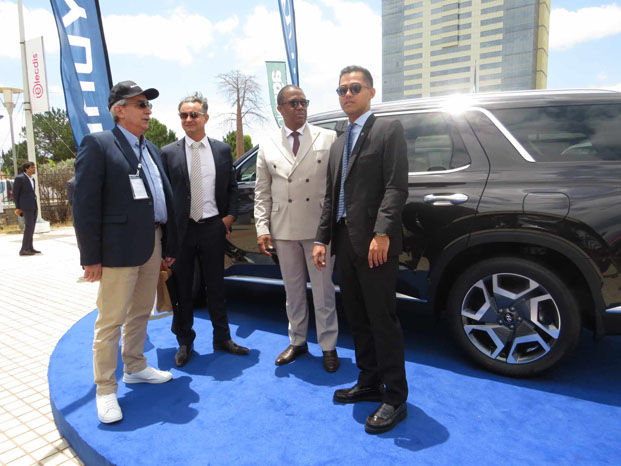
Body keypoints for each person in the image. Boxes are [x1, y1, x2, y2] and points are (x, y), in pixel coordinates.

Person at [73, 80, 178, 424]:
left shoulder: (151, 148)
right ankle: (105, 389)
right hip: (117, 250)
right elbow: (85, 205)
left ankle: (134, 366)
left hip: (152, 243)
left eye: (148, 104)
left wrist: (168, 244)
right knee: (110, 321)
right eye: (141, 104)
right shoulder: (99, 144)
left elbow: (162, 197)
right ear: (119, 110)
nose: (149, 110)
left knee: (140, 313)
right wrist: (90, 256)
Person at [312, 65, 409, 434]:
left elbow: (396, 186)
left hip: (375, 246)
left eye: (354, 88)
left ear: (370, 92)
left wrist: (382, 233)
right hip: (344, 244)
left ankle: (395, 397)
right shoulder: (339, 142)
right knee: (358, 317)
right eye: (341, 90)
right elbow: (330, 197)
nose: (347, 94)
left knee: (383, 319)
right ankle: (369, 382)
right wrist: (322, 239)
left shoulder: (387, 130)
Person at [254, 85, 339, 372]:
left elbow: (336, 188)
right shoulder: (267, 143)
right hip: (283, 229)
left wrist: (332, 227)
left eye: (304, 101)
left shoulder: (327, 138)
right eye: (293, 103)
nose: (300, 107)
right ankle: (298, 341)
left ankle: (328, 345)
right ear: (280, 108)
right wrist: (261, 227)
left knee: (324, 291)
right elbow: (262, 190)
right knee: (293, 291)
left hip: (318, 230)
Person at [161, 92, 248, 368]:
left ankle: (222, 337)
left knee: (216, 287)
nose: (188, 119)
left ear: (205, 118)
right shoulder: (168, 153)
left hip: (213, 227)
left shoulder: (221, 150)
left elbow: (232, 187)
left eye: (193, 114)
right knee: (182, 289)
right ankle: (185, 341)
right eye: (184, 115)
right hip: (182, 232)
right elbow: (164, 194)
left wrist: (229, 217)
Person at [13, 161, 40, 256]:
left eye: (34, 167)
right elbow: (15, 194)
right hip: (25, 206)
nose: (34, 169)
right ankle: (23, 249)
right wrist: (18, 207)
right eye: (32, 167)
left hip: (33, 205)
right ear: (26, 169)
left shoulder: (32, 179)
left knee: (32, 227)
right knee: (28, 227)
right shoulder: (19, 178)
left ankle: (30, 247)